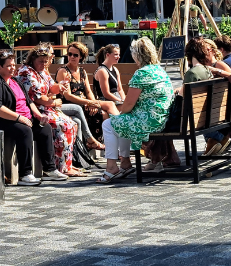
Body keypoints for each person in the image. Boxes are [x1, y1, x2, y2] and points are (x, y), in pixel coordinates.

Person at [0, 50, 66, 185]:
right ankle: (25, 174)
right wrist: (19, 118)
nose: (13, 68)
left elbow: (29, 101)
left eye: (13, 65)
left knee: (44, 128)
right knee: (24, 130)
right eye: (9, 66)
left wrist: (38, 115)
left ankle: (50, 170)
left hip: (20, 118)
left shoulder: (15, 81)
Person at [99, 38, 174, 183]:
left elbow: (128, 105)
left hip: (150, 122)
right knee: (121, 122)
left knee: (109, 124)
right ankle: (125, 163)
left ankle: (112, 167)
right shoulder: (160, 70)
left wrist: (121, 114)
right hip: (162, 118)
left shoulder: (141, 73)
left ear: (136, 55)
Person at [16, 44, 83, 177]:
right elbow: (36, 97)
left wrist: (61, 86)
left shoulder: (43, 71)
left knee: (73, 124)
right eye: (41, 61)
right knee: (64, 125)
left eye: (46, 61)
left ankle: (67, 165)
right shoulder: (26, 72)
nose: (44, 64)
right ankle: (59, 167)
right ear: (33, 59)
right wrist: (53, 102)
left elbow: (52, 87)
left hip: (47, 107)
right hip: (36, 109)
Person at [55, 42, 109, 150]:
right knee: (101, 113)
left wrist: (93, 103)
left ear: (81, 57)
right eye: (70, 54)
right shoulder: (63, 71)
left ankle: (105, 146)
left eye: (75, 55)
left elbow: (88, 92)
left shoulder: (82, 71)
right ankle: (92, 142)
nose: (72, 57)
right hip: (70, 104)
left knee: (103, 113)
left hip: (84, 103)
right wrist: (89, 103)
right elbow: (68, 96)